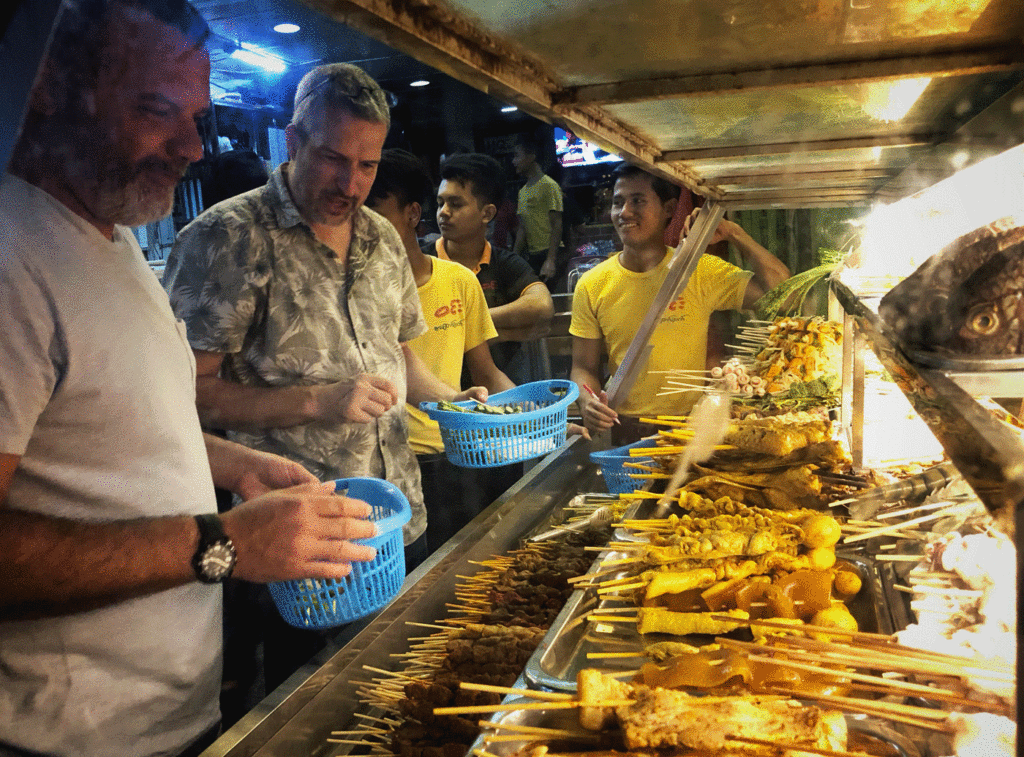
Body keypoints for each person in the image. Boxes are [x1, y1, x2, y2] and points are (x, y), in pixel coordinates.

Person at [0, 2, 379, 755]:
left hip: (171, 713)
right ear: (47, 86)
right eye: (156, 110)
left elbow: (124, 427)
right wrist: (222, 544)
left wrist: (240, 465)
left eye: (197, 116)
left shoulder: (109, 239)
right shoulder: (13, 254)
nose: (190, 145)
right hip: (69, 737)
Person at [164, 64, 485, 683]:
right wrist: (314, 401)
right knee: (313, 709)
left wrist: (455, 399)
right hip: (300, 541)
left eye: (367, 165)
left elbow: (400, 359)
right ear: (292, 141)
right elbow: (183, 400)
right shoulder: (226, 238)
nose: (352, 183)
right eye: (334, 158)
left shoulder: (384, 241)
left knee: (402, 691)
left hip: (399, 521)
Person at [366, 149, 519, 552]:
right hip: (394, 462)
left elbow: (485, 374)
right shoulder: (366, 290)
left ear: (411, 214)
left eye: (374, 213)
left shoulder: (459, 281)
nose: (363, 226)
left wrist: (533, 420)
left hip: (455, 451)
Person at [571, 164, 791, 443]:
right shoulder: (592, 284)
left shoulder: (699, 271)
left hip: (693, 427)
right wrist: (586, 400)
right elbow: (583, 367)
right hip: (625, 429)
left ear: (669, 209)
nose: (624, 212)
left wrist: (734, 233)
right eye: (617, 202)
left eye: (637, 201)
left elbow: (785, 296)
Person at [428, 153, 554, 385]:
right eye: (440, 203)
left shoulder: (503, 262)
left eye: (455, 204)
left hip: (497, 392)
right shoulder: (424, 260)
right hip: (436, 397)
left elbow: (542, 306)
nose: (443, 212)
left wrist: (467, 327)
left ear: (487, 213)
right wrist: (500, 332)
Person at [512, 133, 564, 286]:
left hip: (550, 253)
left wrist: (550, 260)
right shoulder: (523, 191)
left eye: (517, 156)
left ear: (531, 156)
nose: (513, 162)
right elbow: (523, 227)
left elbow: (557, 224)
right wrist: (514, 257)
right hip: (534, 255)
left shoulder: (549, 185)